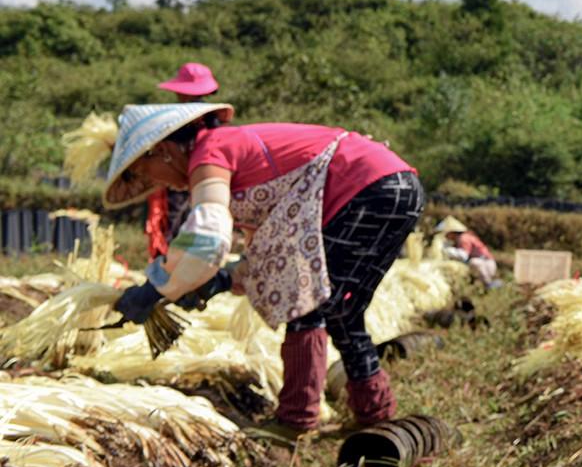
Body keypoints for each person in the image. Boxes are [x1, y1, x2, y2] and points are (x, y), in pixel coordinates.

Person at [102, 104, 425, 437]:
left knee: (315, 305)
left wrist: (157, 287)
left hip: (367, 188)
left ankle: (300, 421)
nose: (156, 184)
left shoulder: (209, 152)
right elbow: (270, 254)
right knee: (342, 309)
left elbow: (207, 235)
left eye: (147, 173)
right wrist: (219, 280)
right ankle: (371, 412)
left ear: (164, 151)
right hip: (394, 189)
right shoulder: (228, 151)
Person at [146, 62, 224, 259]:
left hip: (185, 181)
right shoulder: (215, 118)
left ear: (186, 93)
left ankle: (170, 273)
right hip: (208, 181)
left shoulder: (186, 120)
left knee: (175, 229)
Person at [434, 216, 498, 287]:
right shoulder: (458, 239)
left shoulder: (464, 238)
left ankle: (488, 283)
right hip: (484, 264)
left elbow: (463, 256)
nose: (445, 236)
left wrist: (446, 250)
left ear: (452, 232)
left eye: (446, 233)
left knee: (473, 262)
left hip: (486, 265)